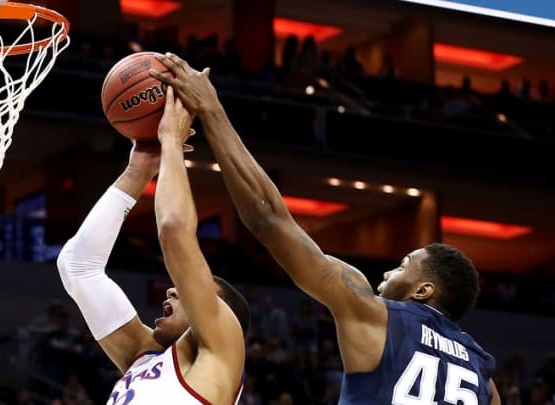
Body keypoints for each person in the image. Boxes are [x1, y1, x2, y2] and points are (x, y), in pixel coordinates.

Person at [151, 53, 501, 405]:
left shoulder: (375, 314)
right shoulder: (485, 380)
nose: (388, 271)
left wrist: (211, 109)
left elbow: (267, 218)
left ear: (424, 290)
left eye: (403, 264)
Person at [56, 85, 249, 404]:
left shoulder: (220, 356)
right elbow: (78, 267)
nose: (174, 289)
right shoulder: (143, 359)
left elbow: (174, 230)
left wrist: (171, 140)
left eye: (194, 289)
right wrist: (138, 171)